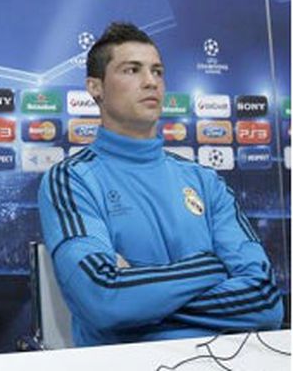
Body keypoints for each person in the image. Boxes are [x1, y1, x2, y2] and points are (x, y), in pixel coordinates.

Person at [37, 22, 282, 346]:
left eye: (157, 71)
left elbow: (265, 299)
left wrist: (137, 300)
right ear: (95, 87)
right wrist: (212, 265)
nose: (150, 81)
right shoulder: (72, 179)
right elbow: (103, 299)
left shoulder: (204, 181)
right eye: (132, 70)